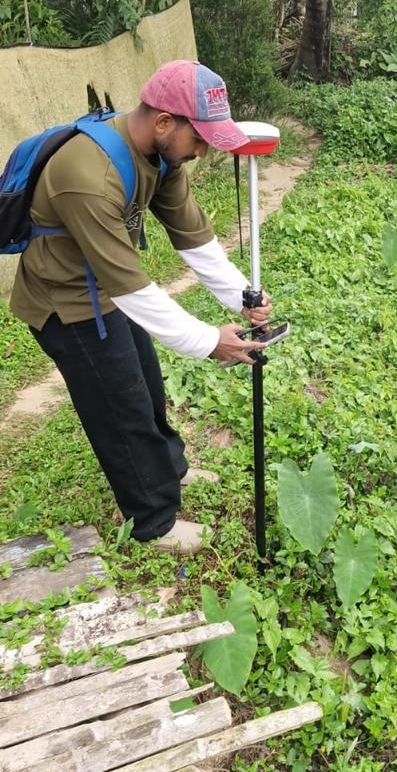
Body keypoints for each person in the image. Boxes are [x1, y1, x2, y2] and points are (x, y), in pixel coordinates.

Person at [9, 59, 272, 553]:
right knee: (120, 406)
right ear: (164, 122)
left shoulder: (164, 156)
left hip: (108, 290)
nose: (201, 151)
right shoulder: (86, 175)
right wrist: (208, 341)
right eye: (200, 139)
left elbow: (194, 239)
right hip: (65, 306)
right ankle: (153, 522)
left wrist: (242, 297)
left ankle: (171, 470)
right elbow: (134, 289)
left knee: (147, 385)